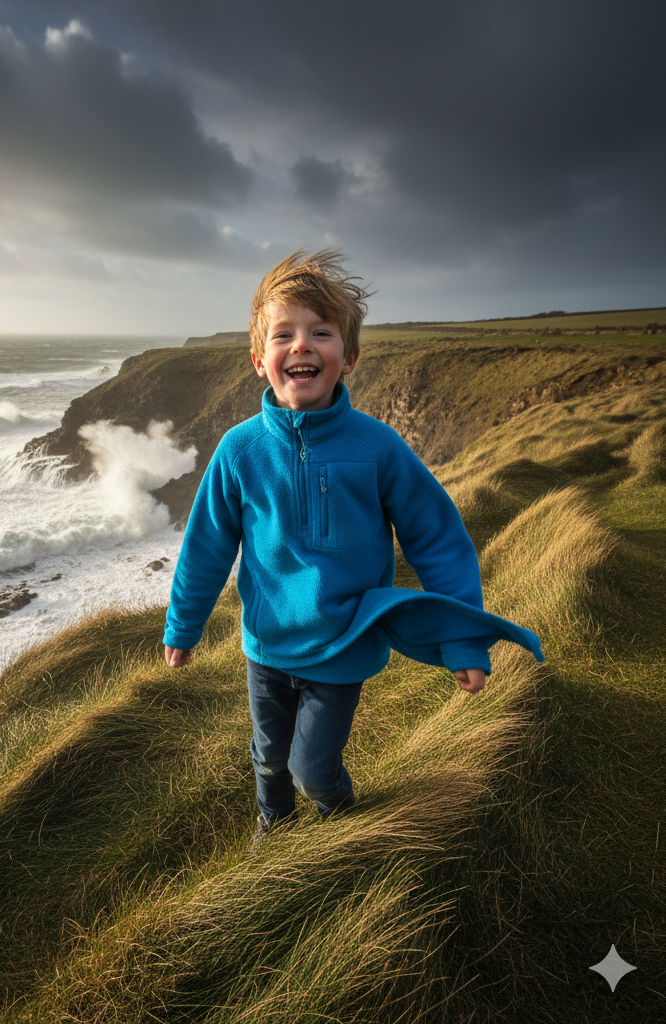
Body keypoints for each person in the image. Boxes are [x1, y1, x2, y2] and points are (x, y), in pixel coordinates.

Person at [162, 250, 543, 846]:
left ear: (351, 355)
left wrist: (464, 638)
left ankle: (340, 824)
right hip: (266, 645)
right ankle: (275, 826)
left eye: (321, 332)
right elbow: (207, 544)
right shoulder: (238, 451)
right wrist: (183, 627)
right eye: (283, 334)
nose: (302, 345)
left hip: (342, 641)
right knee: (268, 757)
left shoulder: (378, 447)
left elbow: (437, 538)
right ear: (261, 360)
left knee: (311, 766)